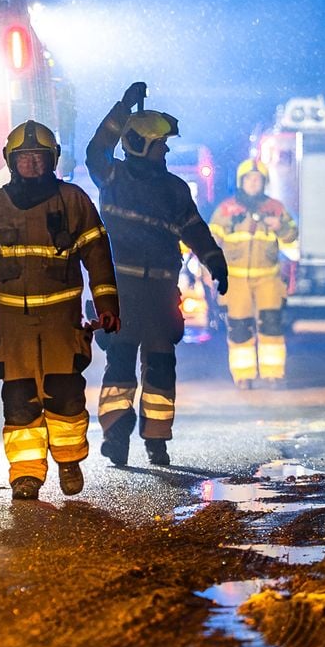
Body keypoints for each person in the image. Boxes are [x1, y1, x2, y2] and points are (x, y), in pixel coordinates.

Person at [0, 121, 120, 501]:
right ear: (11, 162)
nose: (32, 164)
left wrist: (107, 305)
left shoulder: (74, 201)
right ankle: (26, 474)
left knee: (65, 396)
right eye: (24, 158)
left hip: (62, 323)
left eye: (39, 157)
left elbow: (98, 256)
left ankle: (68, 460)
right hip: (13, 326)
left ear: (52, 161)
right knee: (18, 401)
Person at [86, 83, 229, 467]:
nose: (165, 150)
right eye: (160, 144)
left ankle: (156, 440)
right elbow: (95, 149)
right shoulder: (113, 177)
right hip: (122, 292)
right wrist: (122, 108)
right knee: (119, 368)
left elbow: (195, 229)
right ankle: (116, 436)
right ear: (140, 144)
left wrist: (216, 263)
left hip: (161, 292)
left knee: (161, 370)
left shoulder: (174, 189)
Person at [209, 159, 298, 389]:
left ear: (264, 182)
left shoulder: (276, 208)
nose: (253, 183)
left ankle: (273, 373)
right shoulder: (226, 209)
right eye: (249, 179)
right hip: (236, 279)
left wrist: (279, 226)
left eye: (258, 179)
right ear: (241, 182)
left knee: (271, 325)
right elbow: (210, 241)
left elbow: (292, 237)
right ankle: (243, 375)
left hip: (268, 277)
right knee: (239, 327)